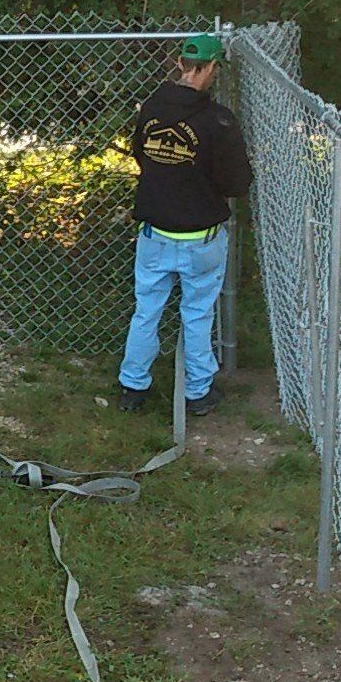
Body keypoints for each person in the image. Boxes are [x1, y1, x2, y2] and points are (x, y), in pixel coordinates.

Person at [118, 33, 253, 415]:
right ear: (210, 67)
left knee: (147, 309)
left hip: (155, 234)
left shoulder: (152, 108)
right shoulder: (218, 121)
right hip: (201, 239)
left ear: (179, 63)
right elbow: (237, 184)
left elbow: (141, 154)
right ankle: (198, 392)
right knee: (197, 313)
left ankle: (133, 387)